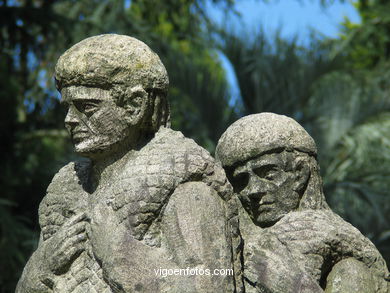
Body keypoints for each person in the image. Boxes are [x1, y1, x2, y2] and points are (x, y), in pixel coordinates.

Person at [16, 34, 239, 293]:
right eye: (67, 107)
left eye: (86, 106)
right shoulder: (64, 195)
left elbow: (211, 283)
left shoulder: (186, 184)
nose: (69, 120)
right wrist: (40, 268)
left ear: (135, 106)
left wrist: (120, 252)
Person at [216, 112, 390, 293]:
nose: (253, 190)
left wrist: (287, 281)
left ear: (300, 172)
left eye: (268, 173)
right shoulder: (233, 251)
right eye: (242, 181)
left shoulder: (351, 265)